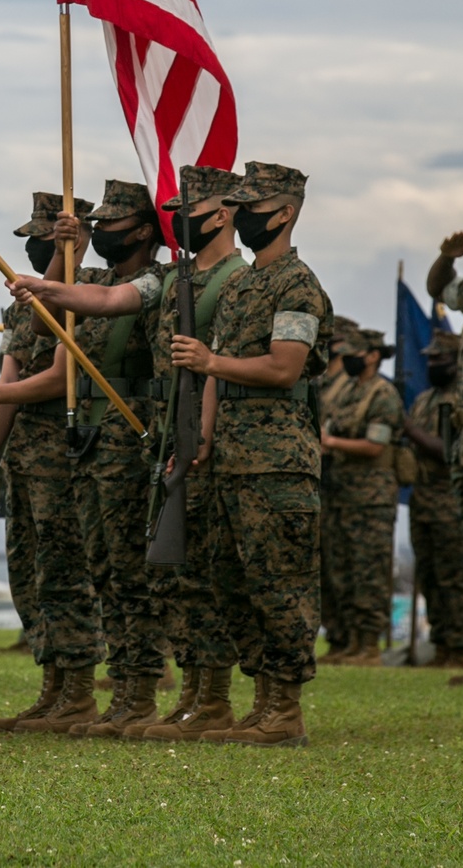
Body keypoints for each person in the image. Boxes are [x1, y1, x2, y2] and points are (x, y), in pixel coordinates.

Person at [8, 168, 243, 743]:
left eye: (110, 223)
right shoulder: (156, 281)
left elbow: (114, 302)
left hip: (147, 434)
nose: (101, 230)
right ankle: (134, 693)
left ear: (142, 231)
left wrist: (53, 280)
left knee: (165, 573)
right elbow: (90, 301)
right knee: (109, 570)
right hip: (111, 441)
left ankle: (180, 692)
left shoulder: (179, 278)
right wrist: (56, 269)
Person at [171, 161, 332, 747]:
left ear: (285, 212)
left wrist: (210, 364)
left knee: (280, 584)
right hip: (230, 458)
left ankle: (284, 709)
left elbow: (283, 365)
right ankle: (260, 703)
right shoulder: (240, 285)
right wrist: (202, 441)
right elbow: (211, 375)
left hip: (276, 459)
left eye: (253, 207)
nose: (241, 218)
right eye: (237, 207)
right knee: (233, 582)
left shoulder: (297, 284)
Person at [0, 191, 103, 732]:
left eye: (47, 239)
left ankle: (80, 690)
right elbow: (11, 374)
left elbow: (61, 376)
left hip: (66, 456)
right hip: (25, 460)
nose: (37, 249)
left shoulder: (90, 295)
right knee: (30, 573)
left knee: (65, 572)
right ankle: (53, 687)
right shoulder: (27, 302)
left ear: (74, 239)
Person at [321, 326, 403, 667]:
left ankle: (368, 645)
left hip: (371, 498)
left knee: (368, 571)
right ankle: (347, 643)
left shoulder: (382, 393)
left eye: (355, 353)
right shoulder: (348, 391)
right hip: (342, 495)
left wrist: (332, 443)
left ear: (372, 356)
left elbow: (374, 445)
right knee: (342, 571)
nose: (348, 358)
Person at [403, 332, 463, 667]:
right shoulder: (424, 399)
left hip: (449, 499)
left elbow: (449, 451)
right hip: (422, 497)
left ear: (456, 362)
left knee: (453, 577)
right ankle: (442, 645)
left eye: (439, 359)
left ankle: (459, 647)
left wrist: (411, 431)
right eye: (429, 358)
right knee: (428, 575)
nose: (431, 364)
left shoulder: (460, 400)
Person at [316, 317, 361, 664]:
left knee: (358, 568)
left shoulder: (359, 388)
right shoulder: (325, 383)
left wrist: (329, 441)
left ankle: (361, 641)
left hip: (358, 490)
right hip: (328, 485)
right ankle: (339, 638)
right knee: (330, 570)